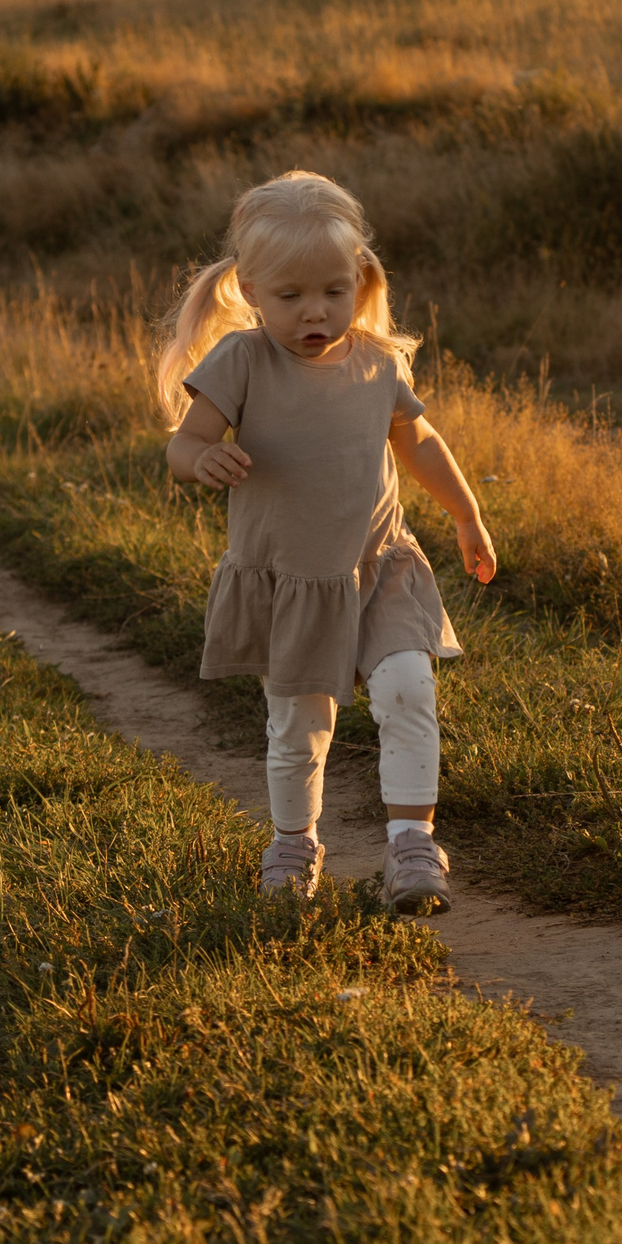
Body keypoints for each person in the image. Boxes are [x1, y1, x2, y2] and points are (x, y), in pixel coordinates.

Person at [157, 171, 497, 911]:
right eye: (291, 296)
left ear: (359, 278)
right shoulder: (243, 361)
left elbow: (420, 441)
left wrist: (467, 516)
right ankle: (293, 842)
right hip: (294, 579)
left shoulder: (378, 360)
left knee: (408, 688)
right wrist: (200, 459)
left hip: (383, 567)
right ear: (250, 288)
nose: (316, 312)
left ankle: (412, 844)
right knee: (300, 722)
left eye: (333, 292)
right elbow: (183, 445)